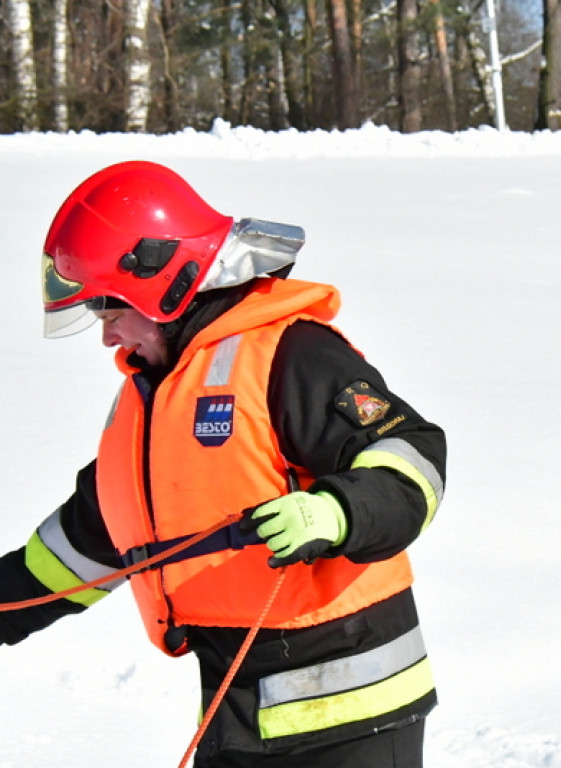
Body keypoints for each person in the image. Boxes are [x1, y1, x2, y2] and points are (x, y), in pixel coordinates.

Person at [0, 160, 446, 767]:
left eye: (111, 315)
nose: (107, 340)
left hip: (353, 720)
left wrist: (337, 512)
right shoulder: (153, 401)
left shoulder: (290, 353)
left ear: (163, 285)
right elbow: (88, 543)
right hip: (238, 717)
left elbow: (413, 454)